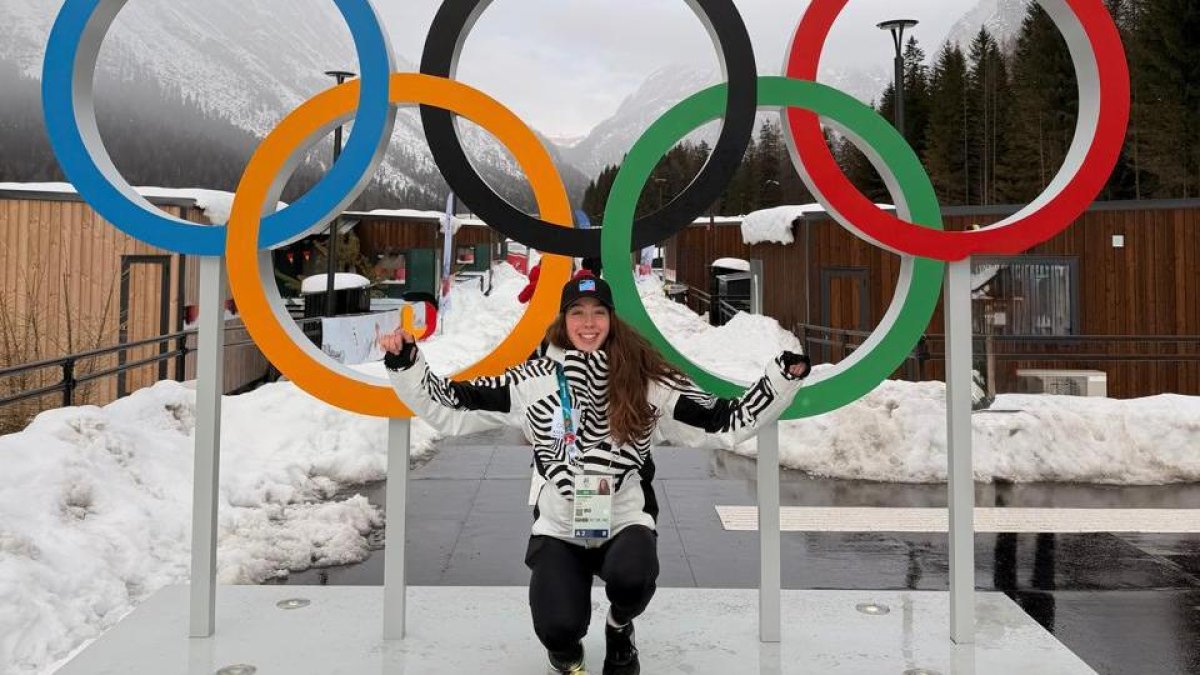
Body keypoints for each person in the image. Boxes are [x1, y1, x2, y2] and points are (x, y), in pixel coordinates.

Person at [379, 271, 811, 675]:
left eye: (598, 313)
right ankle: (569, 659)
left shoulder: (647, 381)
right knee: (556, 626)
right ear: (564, 320)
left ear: (611, 319)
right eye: (578, 313)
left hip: (624, 517)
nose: (589, 323)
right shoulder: (534, 379)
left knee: (633, 576)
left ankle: (620, 628)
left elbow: (724, 420)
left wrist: (779, 379)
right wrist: (407, 363)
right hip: (560, 525)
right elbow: (452, 405)